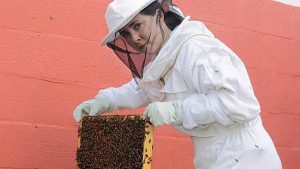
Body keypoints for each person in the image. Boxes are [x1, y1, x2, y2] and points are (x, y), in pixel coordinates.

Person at [73, 0, 282, 168]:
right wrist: (104, 101)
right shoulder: (162, 58)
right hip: (211, 155)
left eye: (137, 26)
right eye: (126, 33)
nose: (135, 38)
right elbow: (142, 89)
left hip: (248, 155)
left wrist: (176, 110)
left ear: (158, 15)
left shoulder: (197, 49)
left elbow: (239, 104)